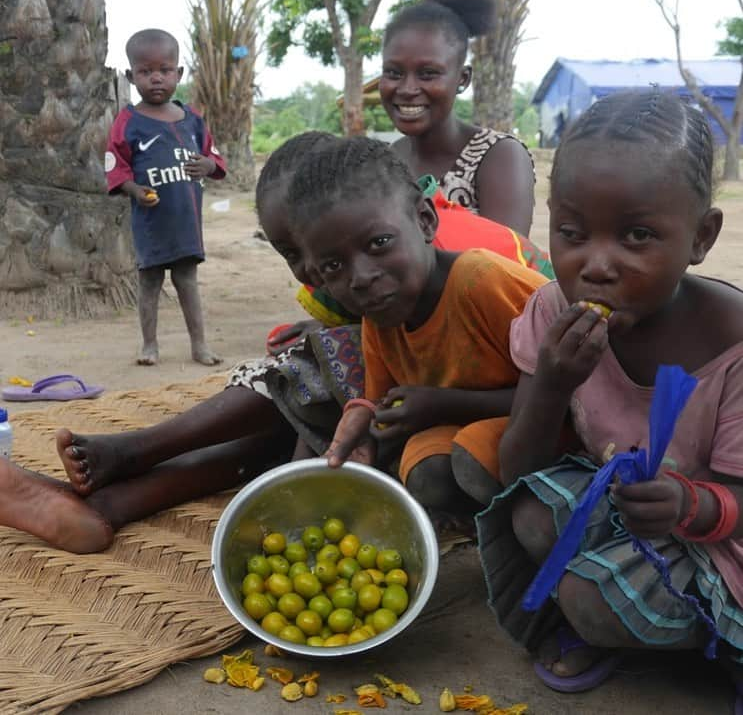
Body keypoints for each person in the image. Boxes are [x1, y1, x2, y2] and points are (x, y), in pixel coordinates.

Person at [0, 131, 545, 554]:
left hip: (513, 396)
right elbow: (373, 379)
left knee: (310, 373)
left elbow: (557, 370)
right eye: (299, 255)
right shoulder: (362, 271)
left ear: (419, 222)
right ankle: (109, 502)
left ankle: (136, 454)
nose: (317, 272)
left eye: (317, 256)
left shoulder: (455, 264)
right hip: (441, 393)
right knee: (301, 412)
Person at [476, 90, 743, 705]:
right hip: (635, 508)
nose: (595, 265)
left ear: (701, 237)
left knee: (588, 600)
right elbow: (519, 471)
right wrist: (551, 384)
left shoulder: (731, 343)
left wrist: (690, 506)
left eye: (638, 235)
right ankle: (643, 626)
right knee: (533, 515)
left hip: (719, 533)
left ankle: (723, 640)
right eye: (571, 232)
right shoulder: (551, 308)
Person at [288, 136, 547, 516]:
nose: (360, 278)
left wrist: (442, 403)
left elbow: (573, 390)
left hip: (549, 420)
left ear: (425, 220)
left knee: (473, 457)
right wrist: (364, 415)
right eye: (332, 267)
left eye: (378, 243)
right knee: (426, 471)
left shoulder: (482, 281)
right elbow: (378, 395)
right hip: (472, 420)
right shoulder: (381, 313)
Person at [105, 28, 226, 366]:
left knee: (187, 281)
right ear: (131, 76)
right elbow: (116, 167)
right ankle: (149, 345)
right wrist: (134, 190)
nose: (156, 78)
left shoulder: (193, 120)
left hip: (186, 220)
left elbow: (214, 159)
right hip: (150, 223)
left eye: (165, 70)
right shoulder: (128, 122)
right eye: (145, 72)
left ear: (179, 73)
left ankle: (199, 345)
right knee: (150, 283)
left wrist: (206, 164)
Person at [379, 0, 535, 236]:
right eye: (394, 73)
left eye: (428, 74)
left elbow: (504, 267)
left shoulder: (497, 157)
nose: (407, 89)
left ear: (462, 79)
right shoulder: (386, 162)